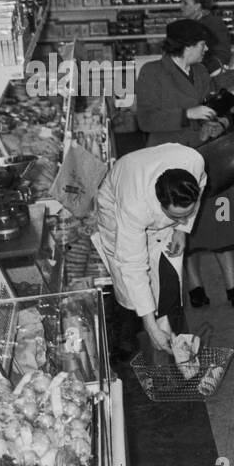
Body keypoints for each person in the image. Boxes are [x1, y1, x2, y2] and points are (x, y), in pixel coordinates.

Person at [134, 19, 234, 308]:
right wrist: (187, 114)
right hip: (170, 163)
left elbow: (217, 109)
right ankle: (195, 286)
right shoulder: (152, 72)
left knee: (222, 221)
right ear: (186, 46)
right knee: (182, 225)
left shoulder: (200, 71)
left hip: (208, 159)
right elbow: (145, 118)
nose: (206, 48)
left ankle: (233, 285)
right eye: (201, 44)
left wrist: (220, 123)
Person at [93, 143, 205, 361]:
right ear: (160, 203)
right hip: (116, 213)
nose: (183, 219)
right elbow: (133, 265)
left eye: (187, 214)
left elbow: (201, 185)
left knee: (168, 281)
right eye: (176, 216)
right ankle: (130, 340)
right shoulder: (134, 205)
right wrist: (151, 325)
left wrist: (181, 229)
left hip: (148, 192)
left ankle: (173, 350)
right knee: (130, 291)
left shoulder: (194, 161)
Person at [180, 0, 234, 74]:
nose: (181, 6)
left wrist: (201, 72)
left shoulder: (214, 24)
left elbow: (223, 56)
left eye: (185, 3)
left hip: (208, 76)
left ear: (197, 6)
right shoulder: (186, 25)